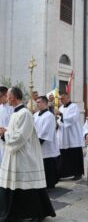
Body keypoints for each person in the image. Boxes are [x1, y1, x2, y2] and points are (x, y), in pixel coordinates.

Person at [0, 87, 55, 222]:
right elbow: (15, 132)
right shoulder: (15, 113)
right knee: (18, 185)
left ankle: (38, 213)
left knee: (28, 186)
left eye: (7, 95)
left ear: (13, 97)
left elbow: (20, 137)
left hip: (24, 155)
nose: (6, 98)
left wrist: (3, 134)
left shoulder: (24, 113)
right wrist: (6, 131)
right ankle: (17, 212)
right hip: (16, 154)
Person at [34, 96, 60, 189]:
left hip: (46, 144)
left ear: (45, 103)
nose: (37, 104)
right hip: (37, 142)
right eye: (36, 102)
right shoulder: (36, 114)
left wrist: (38, 142)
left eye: (39, 102)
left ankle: (50, 184)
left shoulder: (49, 115)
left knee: (48, 165)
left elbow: (46, 132)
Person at [56, 92, 84, 180]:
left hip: (73, 135)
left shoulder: (74, 107)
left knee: (74, 155)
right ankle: (63, 174)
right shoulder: (60, 108)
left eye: (62, 98)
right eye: (60, 99)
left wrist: (60, 115)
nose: (61, 100)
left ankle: (77, 173)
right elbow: (60, 121)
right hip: (63, 136)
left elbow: (72, 118)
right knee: (63, 156)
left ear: (68, 98)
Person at [0, 86, 13, 165]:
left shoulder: (12, 108)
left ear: (6, 95)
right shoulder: (0, 107)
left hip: (8, 139)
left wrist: (5, 130)